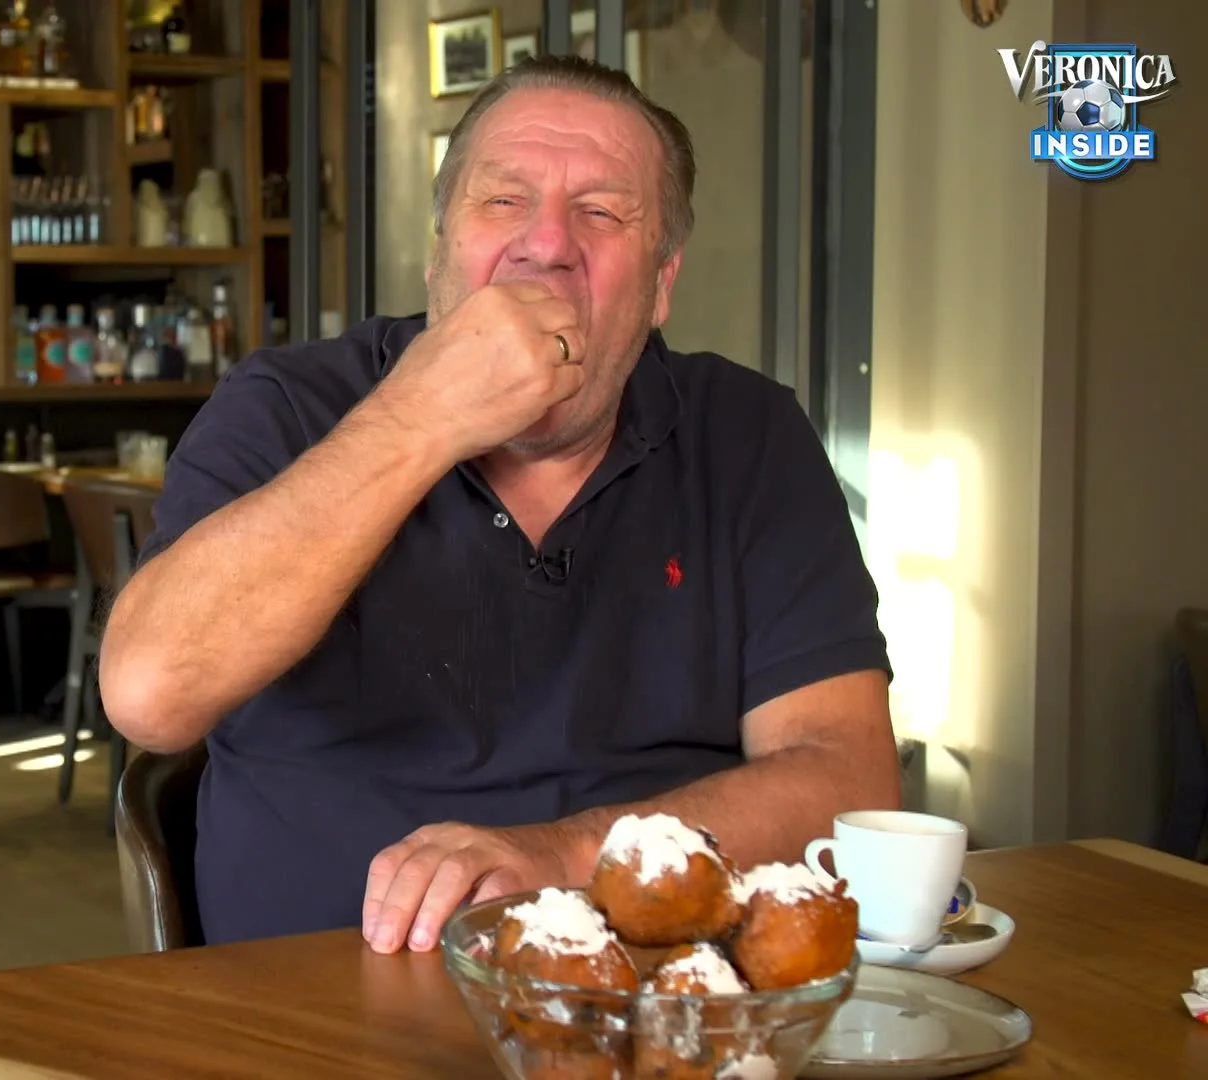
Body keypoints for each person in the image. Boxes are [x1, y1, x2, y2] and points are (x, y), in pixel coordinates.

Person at [96, 55, 901, 954]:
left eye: (602, 212)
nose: (547, 244)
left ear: (662, 283)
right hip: (322, 1005)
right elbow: (148, 695)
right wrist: (424, 417)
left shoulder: (748, 435)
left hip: (659, 1002)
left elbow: (850, 779)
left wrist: (566, 857)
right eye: (503, 202)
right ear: (439, 251)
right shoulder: (286, 406)